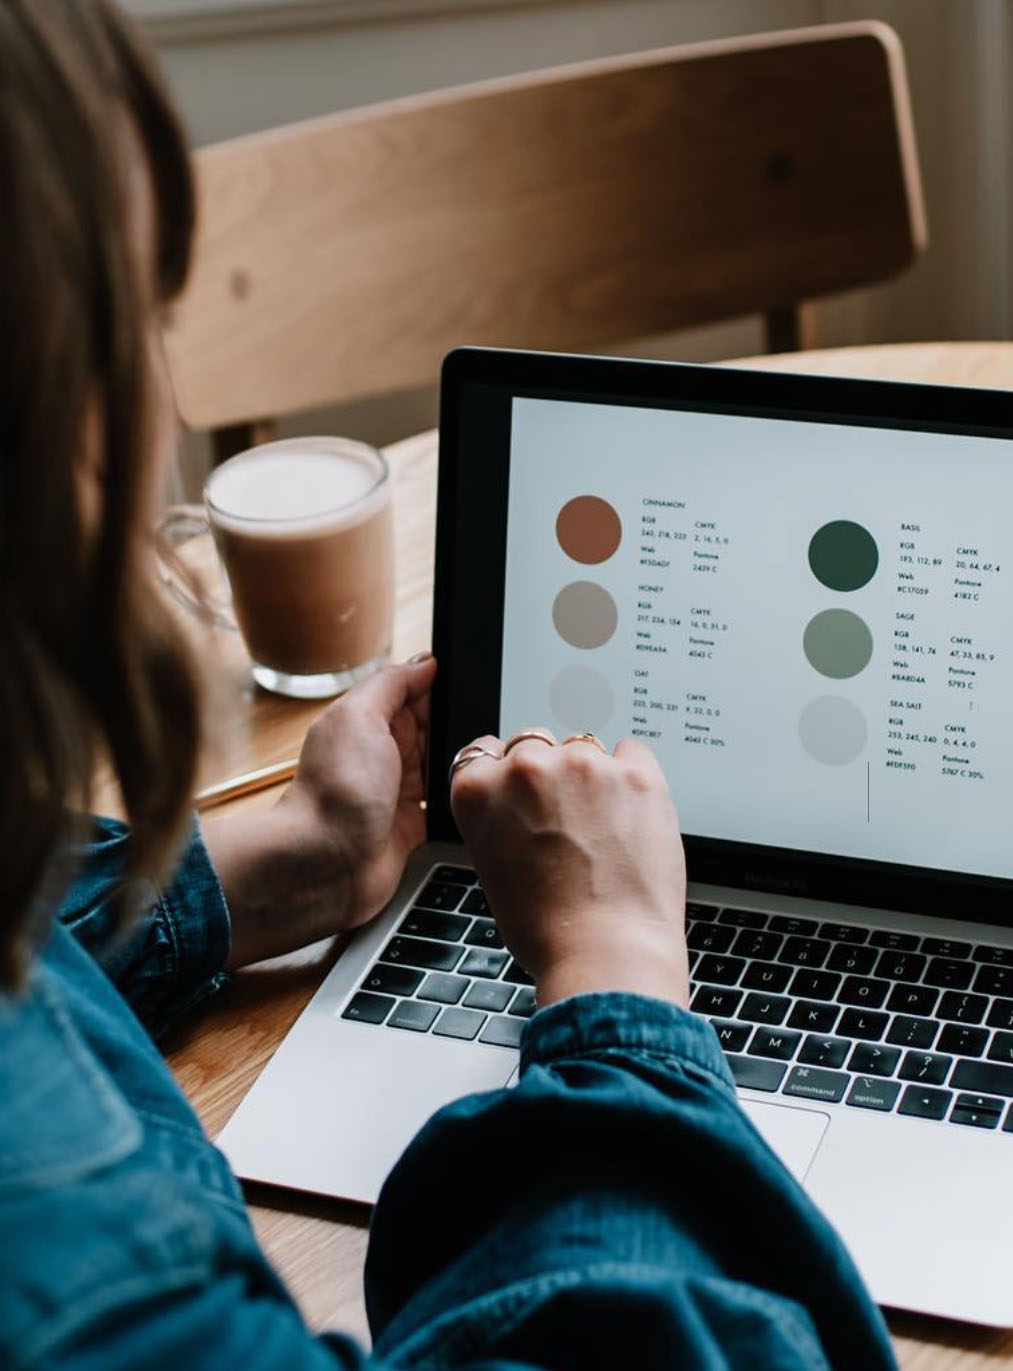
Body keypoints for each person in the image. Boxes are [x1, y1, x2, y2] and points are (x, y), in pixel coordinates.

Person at [0, 1, 897, 1366]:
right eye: (134, 324)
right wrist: (620, 974)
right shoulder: (81, 1278)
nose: (162, 408)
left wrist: (284, 866)